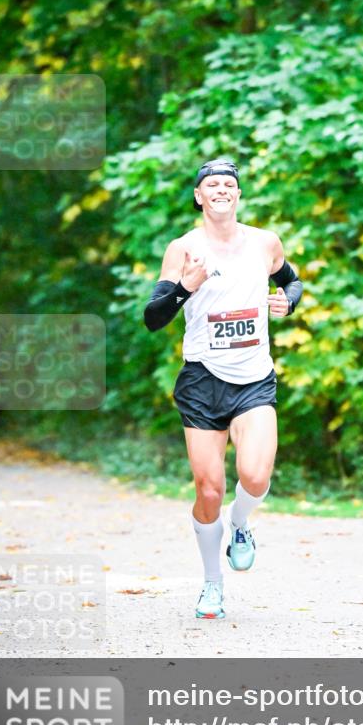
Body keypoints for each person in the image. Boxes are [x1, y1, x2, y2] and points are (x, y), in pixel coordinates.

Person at [143, 159, 303, 620]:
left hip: (253, 375)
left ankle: (240, 523)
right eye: (211, 184)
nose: (221, 190)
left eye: (228, 184)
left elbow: (291, 280)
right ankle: (212, 585)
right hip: (202, 380)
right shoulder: (184, 249)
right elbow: (154, 319)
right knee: (208, 489)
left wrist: (286, 303)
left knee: (254, 477)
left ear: (237, 195)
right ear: (198, 196)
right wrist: (185, 288)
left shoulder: (263, 242)